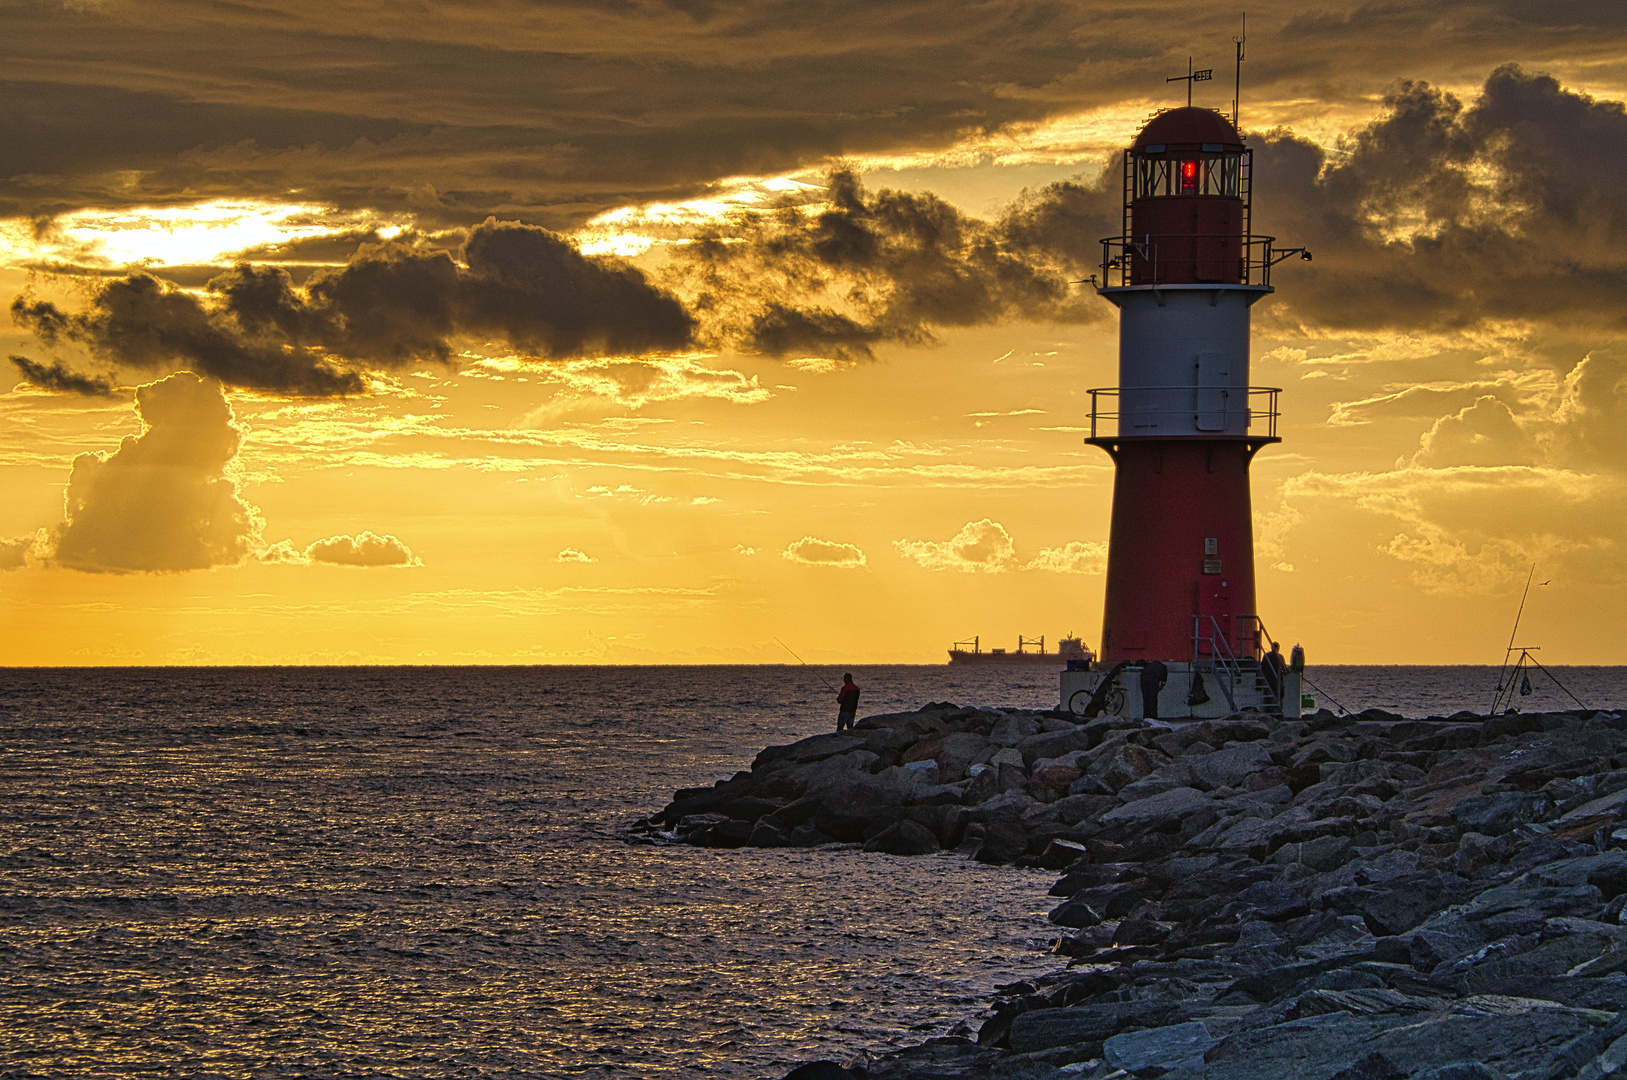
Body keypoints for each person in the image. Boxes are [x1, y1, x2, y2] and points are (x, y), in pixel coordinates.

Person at [1264, 640, 1287, 708]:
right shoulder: (1279, 657)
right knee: (1277, 694)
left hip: (1272, 678)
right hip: (1273, 678)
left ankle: (1274, 707)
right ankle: (1277, 707)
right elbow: (1284, 668)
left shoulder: (1267, 656)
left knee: (1275, 693)